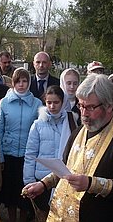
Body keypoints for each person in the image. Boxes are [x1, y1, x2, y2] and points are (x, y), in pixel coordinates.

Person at [22, 74, 113, 221]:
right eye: (81, 105)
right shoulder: (80, 131)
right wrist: (44, 184)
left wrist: (91, 184)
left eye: (91, 107)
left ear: (109, 106)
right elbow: (66, 168)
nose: (84, 114)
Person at [0, 67, 42, 222]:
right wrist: (0, 156)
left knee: (26, 191)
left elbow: (41, 129)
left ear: (29, 82)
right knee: (10, 192)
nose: (21, 84)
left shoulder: (36, 103)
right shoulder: (5, 102)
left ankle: (23, 218)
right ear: (13, 83)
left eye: (24, 81)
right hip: (9, 153)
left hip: (28, 155)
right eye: (18, 81)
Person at [23, 85, 77, 215]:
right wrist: (29, 181)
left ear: (63, 102)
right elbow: (30, 153)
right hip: (41, 179)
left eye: (56, 102)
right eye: (49, 102)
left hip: (64, 178)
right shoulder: (38, 124)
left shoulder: (71, 122)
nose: (52, 106)